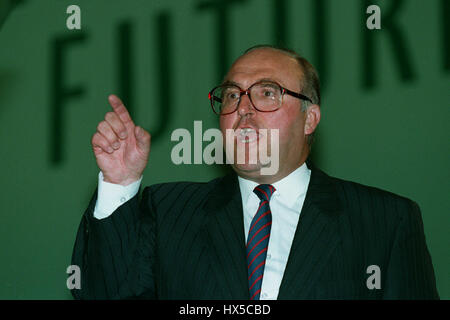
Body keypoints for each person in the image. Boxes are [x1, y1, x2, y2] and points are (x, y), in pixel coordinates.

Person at [71, 45, 439, 300]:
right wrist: (119, 182)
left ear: (309, 118)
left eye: (266, 93)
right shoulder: (167, 210)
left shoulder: (384, 221)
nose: (243, 108)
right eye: (232, 95)